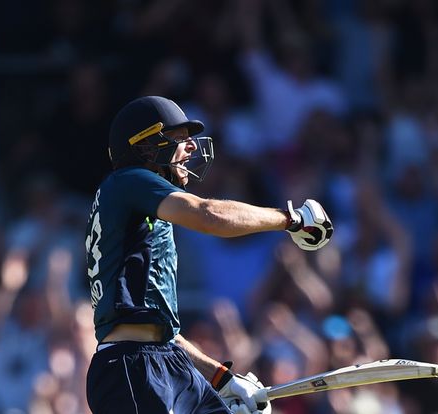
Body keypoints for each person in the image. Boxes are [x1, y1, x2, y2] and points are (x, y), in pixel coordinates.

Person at [84, 95, 333, 414]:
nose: (190, 148)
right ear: (145, 147)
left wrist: (222, 379)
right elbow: (208, 214)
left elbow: (163, 335)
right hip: (131, 367)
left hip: (161, 360)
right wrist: (290, 219)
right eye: (177, 138)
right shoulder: (129, 180)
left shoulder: (136, 211)